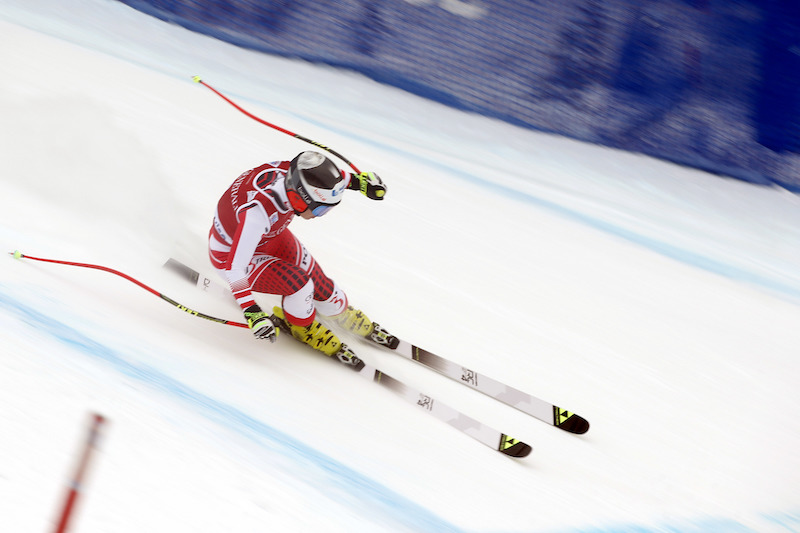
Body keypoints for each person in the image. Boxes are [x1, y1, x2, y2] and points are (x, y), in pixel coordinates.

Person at [208, 151, 387, 366]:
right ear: (297, 198)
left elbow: (322, 175)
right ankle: (302, 327)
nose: (320, 215)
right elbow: (235, 268)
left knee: (322, 286)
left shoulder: (293, 174)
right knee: (300, 285)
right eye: (320, 209)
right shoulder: (257, 214)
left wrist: (359, 182)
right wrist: (252, 312)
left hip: (269, 237)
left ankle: (335, 311)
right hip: (231, 255)